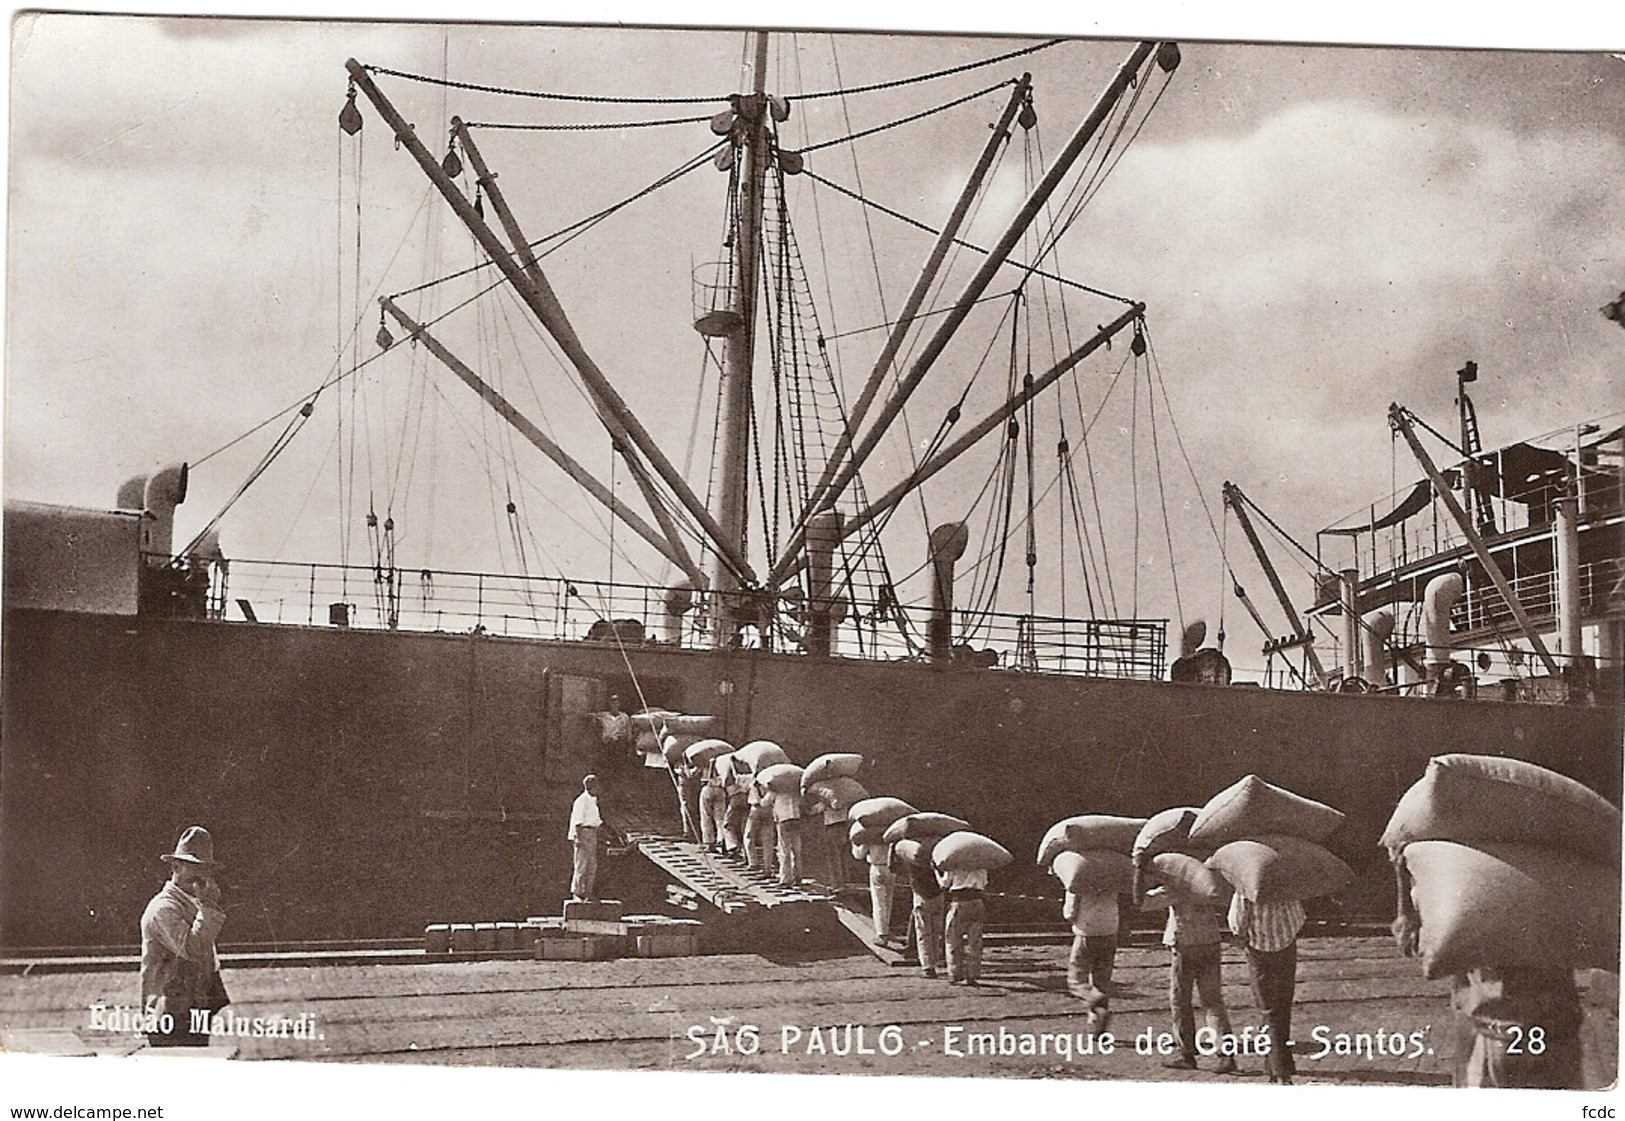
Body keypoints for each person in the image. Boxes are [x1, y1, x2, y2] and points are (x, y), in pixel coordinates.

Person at [1389, 851, 1583, 1088]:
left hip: (1491, 1034)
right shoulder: (1555, 865)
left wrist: (1402, 878)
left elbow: (1410, 940)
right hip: (1553, 1031)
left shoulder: (1458, 874)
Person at [140, 826, 228, 1047]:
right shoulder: (164, 908)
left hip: (192, 1008)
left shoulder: (192, 902)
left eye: (204, 868)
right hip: (168, 1013)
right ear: (175, 866)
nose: (200, 875)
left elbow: (209, 958)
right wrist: (209, 906)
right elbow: (192, 949)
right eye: (192, 867)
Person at [1155, 890, 1237, 1073]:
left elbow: (1143, 902)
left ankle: (1187, 1054)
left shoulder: (1175, 883)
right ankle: (1226, 1054)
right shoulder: (1205, 880)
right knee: (1213, 1001)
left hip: (1185, 943)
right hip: (1210, 940)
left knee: (1180, 1001)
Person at [1228, 892, 1305, 1084]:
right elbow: (1299, 917)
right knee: (1283, 1005)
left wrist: (1243, 937)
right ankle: (1276, 1064)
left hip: (1258, 951)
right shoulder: (1285, 884)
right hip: (1286, 948)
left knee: (1267, 1009)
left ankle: (1280, 1071)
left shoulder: (1246, 885)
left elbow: (1237, 922)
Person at [1063, 886, 1120, 1034]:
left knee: (1076, 979)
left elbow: (1069, 913)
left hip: (1086, 932)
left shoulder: (1078, 881)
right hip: (1110, 931)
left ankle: (1094, 998)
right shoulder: (1112, 878)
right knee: (1102, 979)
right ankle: (1098, 1025)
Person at [896, 848, 946, 978]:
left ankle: (928, 966)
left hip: (921, 896)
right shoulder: (939, 855)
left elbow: (894, 867)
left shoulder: (911, 855)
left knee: (923, 932)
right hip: (938, 895)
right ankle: (934, 961)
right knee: (936, 931)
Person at [939, 863, 988, 985]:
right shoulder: (981, 864)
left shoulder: (954, 863)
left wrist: (936, 872)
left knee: (953, 938)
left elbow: (944, 883)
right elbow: (985, 882)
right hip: (977, 901)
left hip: (959, 901)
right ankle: (973, 973)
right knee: (975, 941)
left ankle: (954, 972)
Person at [567, 774, 603, 901]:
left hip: (592, 833)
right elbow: (577, 821)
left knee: (592, 865)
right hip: (583, 833)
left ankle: (588, 893)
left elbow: (596, 820)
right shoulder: (581, 801)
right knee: (581, 864)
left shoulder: (592, 801)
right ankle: (577, 893)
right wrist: (578, 838)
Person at [863, 841, 899, 945]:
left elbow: (859, 854)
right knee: (888, 901)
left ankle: (882, 935)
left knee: (878, 902)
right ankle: (886, 929)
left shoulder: (870, 835)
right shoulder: (890, 835)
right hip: (890, 868)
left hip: (876, 867)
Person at [771, 784, 804, 886]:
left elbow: (764, 802)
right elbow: (802, 804)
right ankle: (798, 876)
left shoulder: (776, 791)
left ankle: (786, 878)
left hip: (783, 820)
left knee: (784, 850)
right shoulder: (795, 792)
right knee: (797, 849)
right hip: (796, 819)